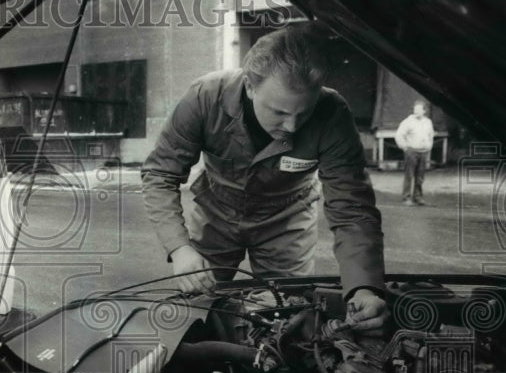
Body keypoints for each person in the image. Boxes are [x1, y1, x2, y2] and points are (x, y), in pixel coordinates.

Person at [141, 23, 388, 330]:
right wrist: (180, 248)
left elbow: (352, 208)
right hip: (216, 216)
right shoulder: (205, 98)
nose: (293, 126)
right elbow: (159, 175)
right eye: (279, 112)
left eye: (303, 113)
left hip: (287, 221)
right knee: (194, 311)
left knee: (287, 317)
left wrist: (364, 286)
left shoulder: (333, 114)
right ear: (249, 86)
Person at [394, 100, 435, 206]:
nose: (416, 111)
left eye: (419, 110)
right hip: (411, 151)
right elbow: (399, 135)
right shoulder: (408, 121)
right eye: (415, 109)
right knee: (409, 175)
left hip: (423, 152)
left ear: (424, 111)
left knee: (420, 176)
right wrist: (404, 147)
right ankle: (406, 197)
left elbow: (430, 136)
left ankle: (418, 197)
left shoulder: (428, 122)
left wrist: (429, 146)